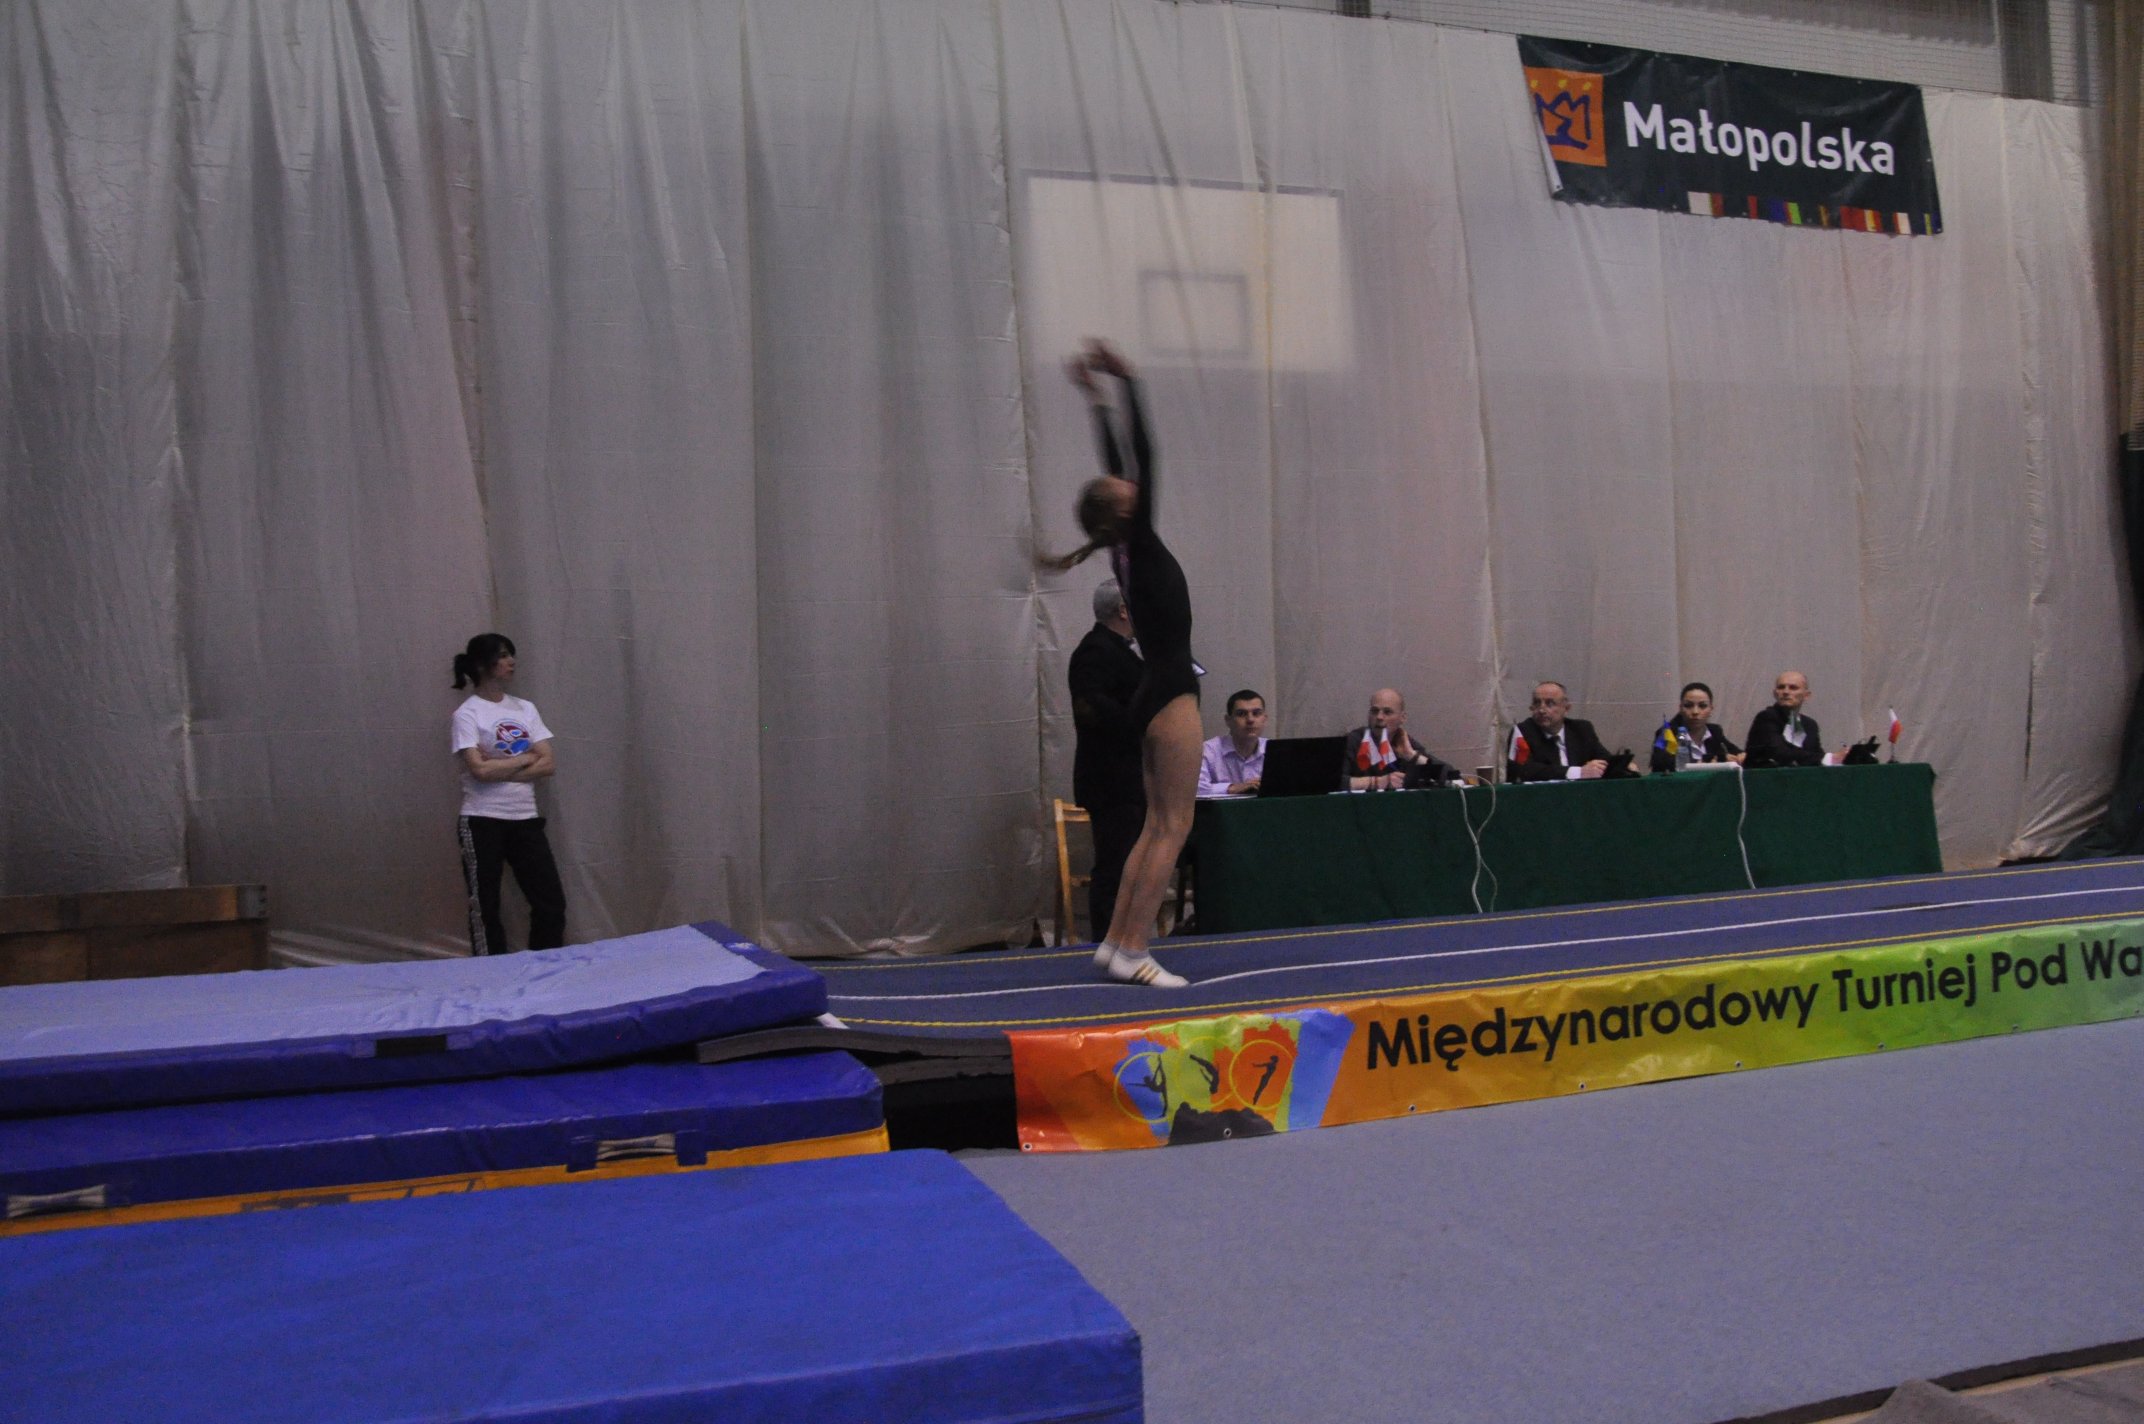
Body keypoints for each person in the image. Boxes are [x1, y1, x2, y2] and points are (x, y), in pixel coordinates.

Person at [1046, 340, 1199, 987]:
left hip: (1153, 691)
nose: (1130, 483)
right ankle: (1135, 948)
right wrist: (1128, 381)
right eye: (1123, 489)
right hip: (1171, 689)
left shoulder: (1125, 548)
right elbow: (1144, 455)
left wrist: (1095, 399)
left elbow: (1119, 464)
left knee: (1155, 825)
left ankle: (1116, 941)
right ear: (1124, 508)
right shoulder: (1136, 540)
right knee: (1174, 826)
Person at [450, 633, 565, 954]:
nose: (511, 661)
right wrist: (526, 758)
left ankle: (544, 968)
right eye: (502, 656)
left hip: (524, 819)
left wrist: (501, 764)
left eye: (510, 654)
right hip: (482, 820)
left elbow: (548, 764)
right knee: (485, 907)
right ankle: (493, 973)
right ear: (482, 664)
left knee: (550, 903)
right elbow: (479, 771)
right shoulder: (468, 714)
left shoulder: (525, 709)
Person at [1069, 579, 1147, 937]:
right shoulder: (1095, 652)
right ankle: (1107, 942)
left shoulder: (1122, 651)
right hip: (1112, 779)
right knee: (1115, 867)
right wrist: (1143, 717)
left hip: (1128, 776)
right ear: (1123, 611)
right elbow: (1094, 710)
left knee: (1129, 866)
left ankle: (1126, 938)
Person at [1340, 688, 1462, 791]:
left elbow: (1452, 777)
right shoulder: (1354, 740)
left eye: (1387, 712)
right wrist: (1377, 782)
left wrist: (1412, 756)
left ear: (1402, 718)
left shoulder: (1403, 742)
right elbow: (1333, 782)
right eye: (1374, 711)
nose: (1379, 717)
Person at [1507, 681, 1612, 782]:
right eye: (1537, 703)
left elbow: (1607, 761)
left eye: (1550, 703)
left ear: (1566, 708)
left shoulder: (1581, 729)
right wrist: (1578, 772)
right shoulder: (1522, 732)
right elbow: (1524, 770)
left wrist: (1605, 767)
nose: (1541, 710)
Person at [1744, 670, 1850, 768]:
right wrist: (1829, 758)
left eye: (1793, 688)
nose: (1786, 692)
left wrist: (1842, 757)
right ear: (1775, 693)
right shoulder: (1766, 717)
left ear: (1806, 695)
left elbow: (1815, 755)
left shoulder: (1809, 725)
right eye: (1781, 687)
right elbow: (1779, 752)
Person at [1650, 681, 1745, 773]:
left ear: (1711, 709)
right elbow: (1660, 764)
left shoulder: (1714, 731)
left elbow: (1737, 752)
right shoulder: (1668, 732)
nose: (1695, 711)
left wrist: (1741, 756)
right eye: (1688, 705)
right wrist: (1711, 761)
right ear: (1680, 708)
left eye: (1702, 706)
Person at [1198, 690, 1269, 797]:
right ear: (1228, 720)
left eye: (1256, 713)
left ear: (1264, 719)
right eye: (1241, 714)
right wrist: (1231, 788)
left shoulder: (1274, 750)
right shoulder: (1208, 750)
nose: (1250, 720)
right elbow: (1194, 788)